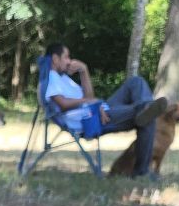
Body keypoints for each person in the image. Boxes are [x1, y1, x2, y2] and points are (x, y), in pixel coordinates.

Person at [44, 43, 167, 177]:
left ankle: (145, 107)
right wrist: (94, 104)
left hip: (97, 110)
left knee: (136, 82)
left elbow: (89, 96)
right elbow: (63, 104)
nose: (69, 61)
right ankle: (141, 172)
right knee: (147, 117)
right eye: (66, 57)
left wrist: (84, 70)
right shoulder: (51, 78)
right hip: (92, 120)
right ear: (55, 59)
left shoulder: (63, 79)